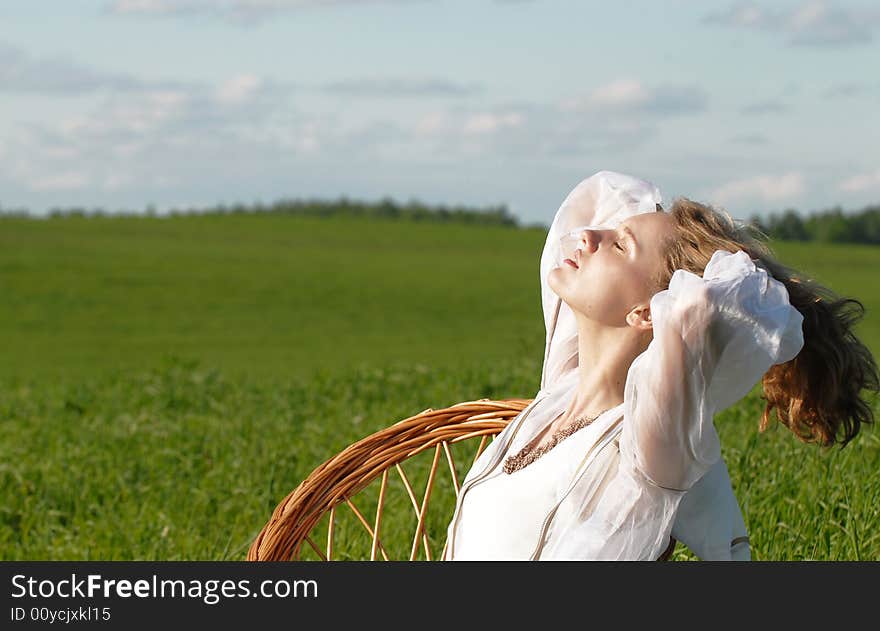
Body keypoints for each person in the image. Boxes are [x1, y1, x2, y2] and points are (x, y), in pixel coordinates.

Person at [441, 170, 878, 561]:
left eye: (619, 244)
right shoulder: (554, 398)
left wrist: (702, 291)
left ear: (651, 313)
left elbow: (704, 305)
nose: (587, 236)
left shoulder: (648, 448)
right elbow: (593, 197)